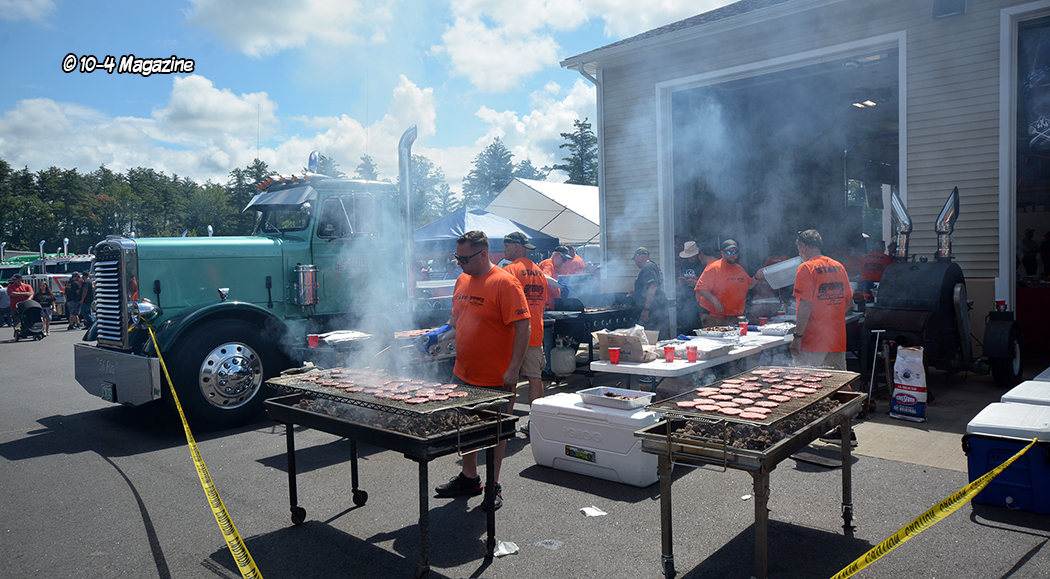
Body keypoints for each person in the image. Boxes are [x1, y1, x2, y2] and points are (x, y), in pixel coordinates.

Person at [434, 230, 530, 511]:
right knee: (466, 428)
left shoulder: (504, 283)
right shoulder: (462, 279)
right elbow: (455, 320)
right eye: (457, 257)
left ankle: (493, 484)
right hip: (463, 371)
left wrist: (514, 369)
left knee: (495, 433)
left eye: (464, 258)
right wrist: (435, 335)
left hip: (496, 376)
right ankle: (469, 477)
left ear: (484, 254)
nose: (459, 263)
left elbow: (523, 328)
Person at [501, 231, 548, 432]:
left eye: (506, 246)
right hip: (535, 331)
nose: (503, 250)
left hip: (514, 334)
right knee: (535, 377)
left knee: (509, 379)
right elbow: (542, 304)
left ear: (516, 247)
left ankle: (507, 425)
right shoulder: (540, 272)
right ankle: (536, 425)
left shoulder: (509, 270)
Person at [694, 239, 763, 328]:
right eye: (729, 252)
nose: (732, 255)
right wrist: (715, 301)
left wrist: (757, 277)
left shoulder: (739, 269)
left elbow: (749, 285)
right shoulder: (714, 268)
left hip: (734, 318)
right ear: (722, 253)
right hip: (714, 317)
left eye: (735, 252)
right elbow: (702, 289)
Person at [676, 240, 716, 334]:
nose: (690, 259)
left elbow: (709, 283)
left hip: (698, 298)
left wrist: (697, 283)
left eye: (692, 257)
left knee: (697, 324)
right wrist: (682, 281)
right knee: (686, 323)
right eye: (688, 257)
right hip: (685, 296)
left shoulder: (703, 264)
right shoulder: (684, 263)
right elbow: (681, 276)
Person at [630, 247, 670, 339]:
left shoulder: (647, 267)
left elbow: (652, 287)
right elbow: (649, 286)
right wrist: (637, 292)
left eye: (635, 260)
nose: (635, 263)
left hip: (654, 309)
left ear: (638, 256)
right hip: (658, 307)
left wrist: (646, 309)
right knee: (657, 336)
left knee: (648, 336)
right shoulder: (652, 266)